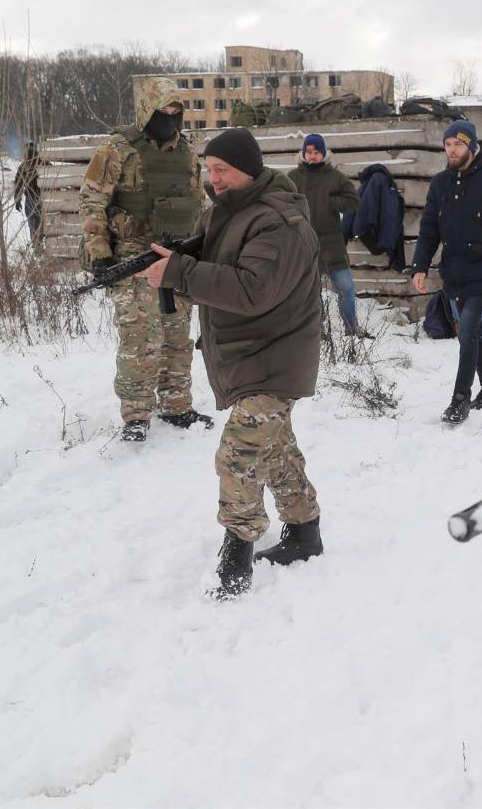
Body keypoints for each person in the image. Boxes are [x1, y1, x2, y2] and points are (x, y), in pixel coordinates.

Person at [135, 127, 325, 599]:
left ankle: (236, 557)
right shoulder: (225, 211)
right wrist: (173, 261)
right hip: (250, 353)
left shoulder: (277, 222)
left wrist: (179, 272)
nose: (213, 178)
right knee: (275, 449)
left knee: (239, 453)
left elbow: (251, 289)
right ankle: (305, 533)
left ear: (249, 169)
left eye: (222, 170)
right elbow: (213, 264)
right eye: (209, 169)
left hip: (276, 356)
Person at [79, 76, 212, 443]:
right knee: (139, 341)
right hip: (133, 258)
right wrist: (100, 255)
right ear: (145, 110)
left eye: (175, 111)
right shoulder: (118, 148)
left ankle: (176, 405)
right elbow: (92, 201)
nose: (169, 118)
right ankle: (136, 415)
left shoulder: (186, 152)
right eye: (162, 111)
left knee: (177, 337)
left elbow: (199, 203)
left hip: (176, 259)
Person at [411, 121, 482, 425]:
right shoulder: (440, 184)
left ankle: (460, 398)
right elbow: (429, 230)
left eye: (458, 145)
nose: (452, 150)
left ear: (472, 147)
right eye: (448, 145)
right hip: (454, 272)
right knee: (472, 331)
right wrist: (420, 266)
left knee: (467, 329)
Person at [287, 134, 368, 338]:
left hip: (332, 245)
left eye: (316, 152)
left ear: (324, 154)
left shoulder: (335, 177)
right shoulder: (293, 177)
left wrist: (331, 202)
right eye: (309, 152)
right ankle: (318, 330)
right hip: (306, 244)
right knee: (311, 292)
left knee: (346, 289)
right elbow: (282, 203)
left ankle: (352, 329)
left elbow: (353, 202)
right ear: (303, 154)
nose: (312, 156)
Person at [13, 142, 45, 244]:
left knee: (34, 225)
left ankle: (37, 248)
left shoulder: (23, 167)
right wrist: (17, 200)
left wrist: (17, 200)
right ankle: (40, 248)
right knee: (41, 225)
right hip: (42, 199)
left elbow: (18, 185)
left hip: (33, 200)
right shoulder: (44, 164)